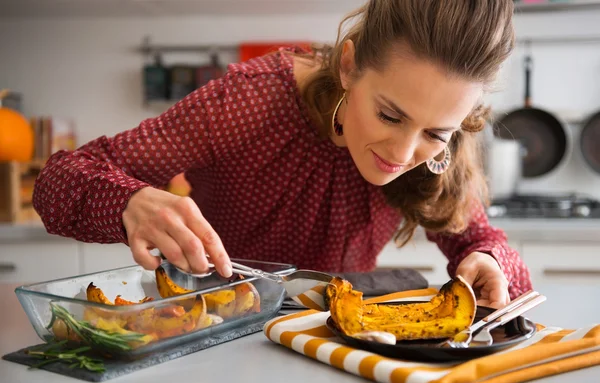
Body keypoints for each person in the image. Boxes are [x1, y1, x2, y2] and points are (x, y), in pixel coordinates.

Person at [32, 0, 532, 308]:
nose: (403, 153)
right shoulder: (252, 100)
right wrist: (129, 202)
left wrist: (487, 261)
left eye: (435, 133)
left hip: (342, 340)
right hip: (215, 324)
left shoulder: (447, 142)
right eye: (390, 115)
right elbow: (58, 181)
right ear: (351, 66)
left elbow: (485, 242)